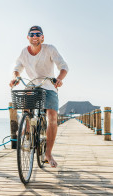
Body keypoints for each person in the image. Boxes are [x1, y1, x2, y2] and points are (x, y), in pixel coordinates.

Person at [9, 25, 69, 168]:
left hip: (48, 85)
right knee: (26, 110)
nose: (35, 36)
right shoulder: (24, 52)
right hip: (32, 85)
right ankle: (27, 131)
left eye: (38, 34)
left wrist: (59, 79)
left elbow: (64, 66)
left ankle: (48, 153)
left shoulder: (50, 49)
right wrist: (16, 78)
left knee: (52, 117)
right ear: (28, 37)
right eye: (32, 34)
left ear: (42, 37)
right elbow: (17, 68)